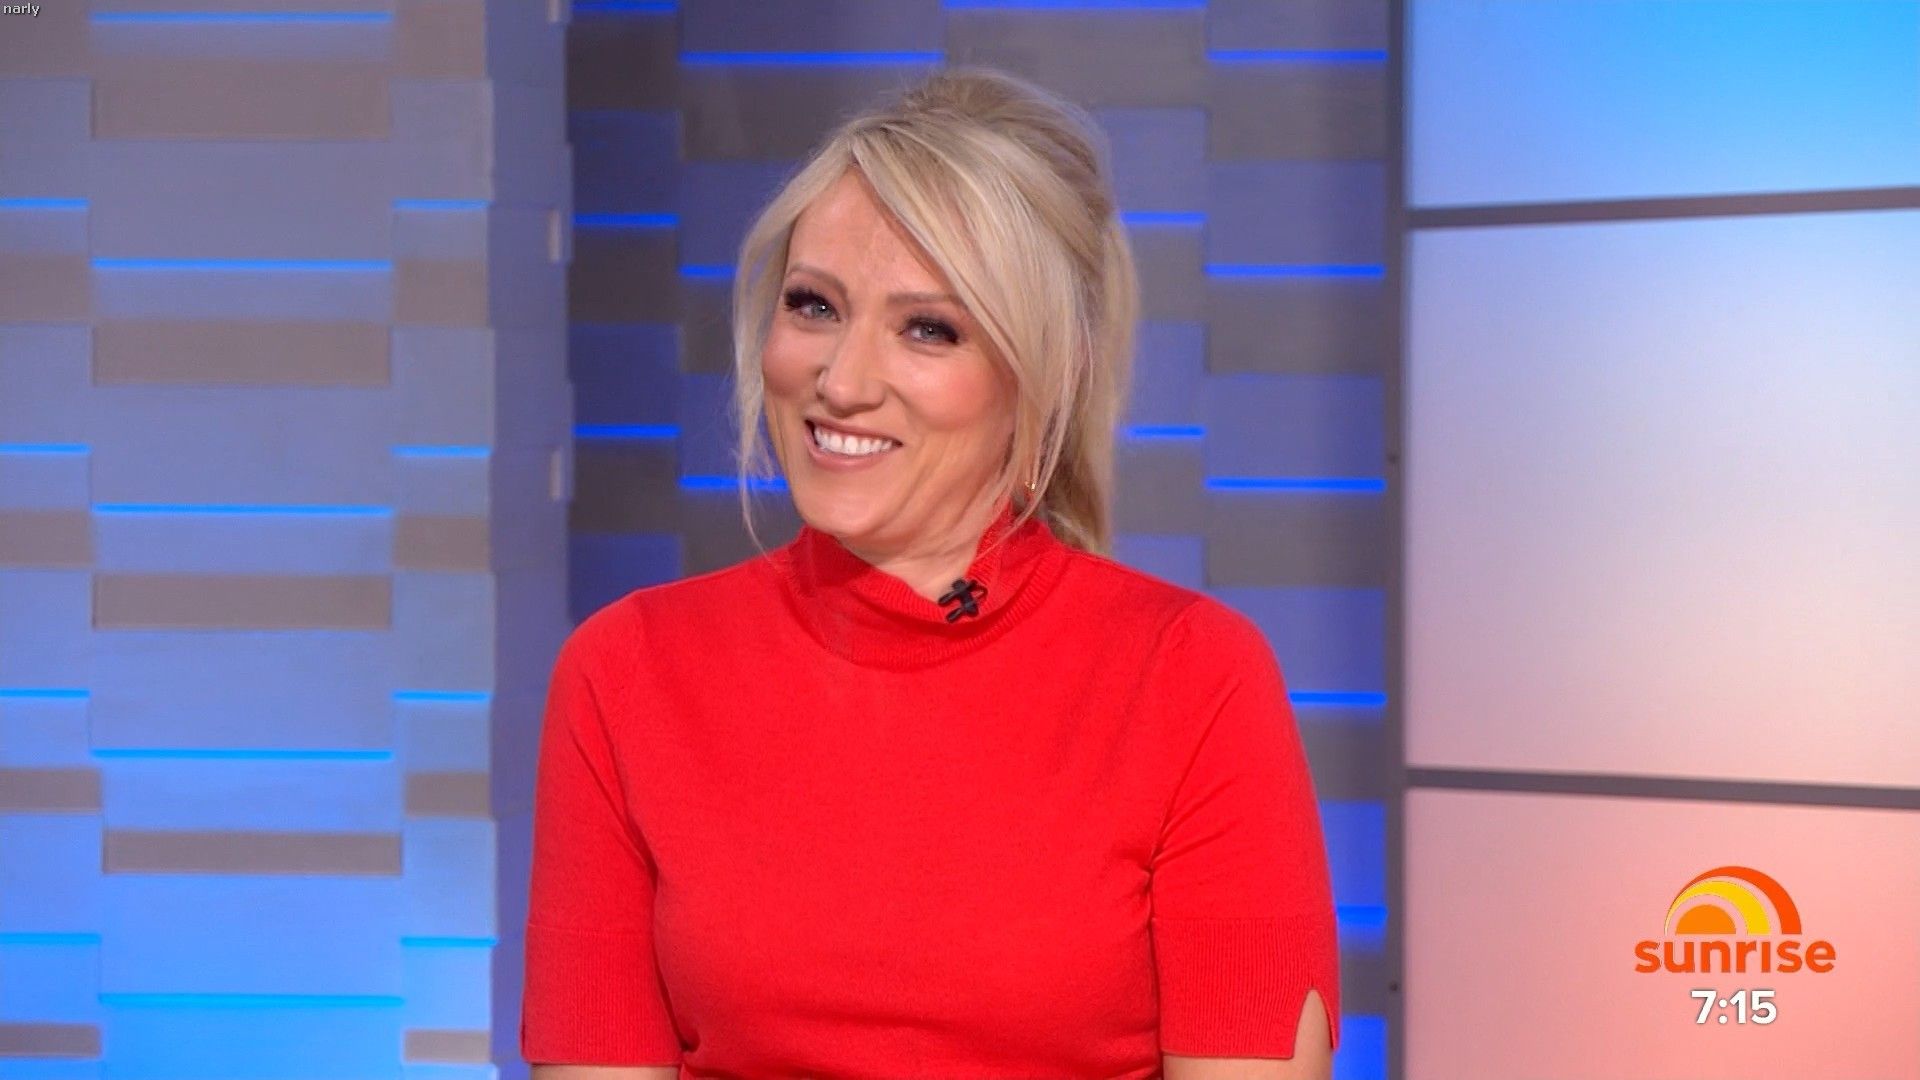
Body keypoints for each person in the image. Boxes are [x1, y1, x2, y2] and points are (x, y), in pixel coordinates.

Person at [521, 66, 1340, 1080]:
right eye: (814, 306)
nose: (842, 381)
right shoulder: (626, 672)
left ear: (1044, 372)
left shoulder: (1191, 679)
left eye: (927, 328)